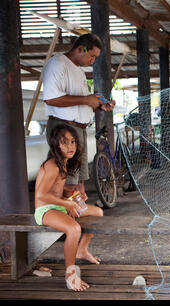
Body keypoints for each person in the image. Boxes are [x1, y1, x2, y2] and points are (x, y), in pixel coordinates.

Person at [42, 33, 115, 202]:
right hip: (64, 129)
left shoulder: (79, 72)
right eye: (92, 56)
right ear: (81, 49)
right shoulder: (58, 64)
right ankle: (64, 220)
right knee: (65, 182)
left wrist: (98, 104)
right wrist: (86, 99)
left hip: (78, 129)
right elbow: (51, 99)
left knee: (79, 182)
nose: (93, 61)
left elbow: (80, 103)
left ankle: (77, 217)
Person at [34, 124, 103, 291]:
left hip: (59, 206)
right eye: (64, 143)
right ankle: (70, 274)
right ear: (55, 145)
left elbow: (56, 189)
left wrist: (73, 194)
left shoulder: (63, 163)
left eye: (73, 142)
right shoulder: (52, 165)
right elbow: (41, 195)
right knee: (73, 229)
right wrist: (68, 203)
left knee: (97, 213)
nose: (70, 146)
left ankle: (82, 250)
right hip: (45, 210)